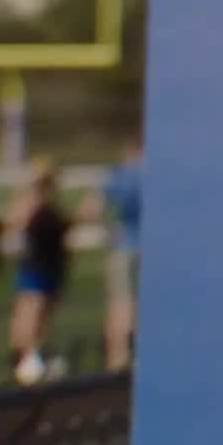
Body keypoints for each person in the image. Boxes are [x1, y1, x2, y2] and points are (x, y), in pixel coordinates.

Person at [4, 156, 73, 385]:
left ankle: (34, 355)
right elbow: (14, 222)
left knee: (41, 313)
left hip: (50, 264)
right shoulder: (31, 203)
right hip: (36, 265)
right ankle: (25, 358)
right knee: (32, 310)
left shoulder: (50, 204)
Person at [79, 132, 143, 370]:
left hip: (125, 244)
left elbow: (90, 209)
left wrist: (108, 230)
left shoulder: (119, 176)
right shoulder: (157, 174)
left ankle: (119, 358)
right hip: (152, 249)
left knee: (121, 304)